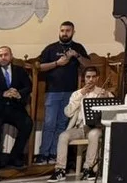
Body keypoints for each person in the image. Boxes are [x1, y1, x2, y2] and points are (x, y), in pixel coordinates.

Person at [36, 21, 88, 164]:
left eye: (68, 31)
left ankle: (54, 154)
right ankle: (43, 154)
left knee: (62, 124)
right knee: (49, 123)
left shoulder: (78, 48)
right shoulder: (51, 49)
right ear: (59, 31)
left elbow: (89, 65)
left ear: (73, 32)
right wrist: (57, 63)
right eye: (62, 30)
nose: (65, 33)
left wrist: (76, 56)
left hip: (70, 93)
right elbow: (39, 67)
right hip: (52, 92)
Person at [49, 66, 111, 181]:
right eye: (88, 77)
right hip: (80, 127)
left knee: (93, 135)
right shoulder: (77, 94)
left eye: (93, 77)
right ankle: (60, 170)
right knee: (63, 136)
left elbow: (112, 112)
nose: (91, 80)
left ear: (97, 78)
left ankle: (89, 168)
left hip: (95, 128)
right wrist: (81, 95)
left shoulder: (104, 92)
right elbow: (68, 113)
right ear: (84, 79)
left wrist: (106, 99)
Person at [0, 45, 32, 169]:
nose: (3, 58)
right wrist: (3, 93)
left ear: (11, 56)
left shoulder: (19, 70)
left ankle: (15, 156)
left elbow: (28, 86)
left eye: (5, 55)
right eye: (0, 55)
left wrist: (19, 93)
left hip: (15, 107)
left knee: (27, 123)